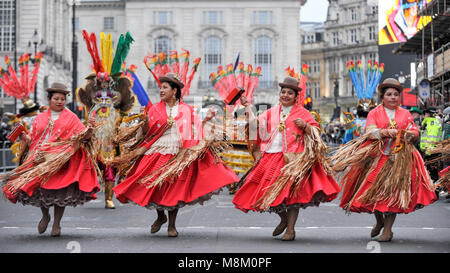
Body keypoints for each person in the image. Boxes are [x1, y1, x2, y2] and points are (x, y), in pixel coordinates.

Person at [112, 73, 239, 237]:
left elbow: (195, 129)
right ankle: (160, 216)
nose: (161, 90)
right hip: (158, 150)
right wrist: (144, 121)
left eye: (165, 87)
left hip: (178, 152)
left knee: (174, 188)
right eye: (160, 88)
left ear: (174, 91)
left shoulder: (186, 109)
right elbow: (147, 133)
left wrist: (205, 123)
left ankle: (172, 225)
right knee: (154, 184)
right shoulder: (154, 109)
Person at [232, 76, 340, 241]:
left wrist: (306, 126)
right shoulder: (271, 112)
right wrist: (247, 107)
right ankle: (283, 219)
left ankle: (290, 229)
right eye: (283, 92)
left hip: (293, 159)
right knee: (267, 193)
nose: (286, 95)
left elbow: (317, 132)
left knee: (292, 196)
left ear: (296, 96)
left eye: (290, 93)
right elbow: (255, 126)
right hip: (271, 157)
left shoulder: (303, 113)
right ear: (279, 94)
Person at [332, 78, 437, 242]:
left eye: (396, 94)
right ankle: (379, 221)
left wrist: (407, 135)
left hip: (398, 160)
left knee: (392, 195)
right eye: (389, 94)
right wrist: (385, 132)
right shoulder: (374, 113)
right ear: (383, 97)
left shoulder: (405, 113)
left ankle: (388, 231)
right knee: (372, 193)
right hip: (377, 158)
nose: (393, 97)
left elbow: (414, 132)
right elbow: (370, 132)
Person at [1, 82, 100, 237]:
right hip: (40, 159)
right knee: (42, 190)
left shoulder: (72, 118)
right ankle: (45, 215)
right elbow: (33, 139)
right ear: (49, 99)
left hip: (61, 161)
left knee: (59, 192)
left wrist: (90, 131)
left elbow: (82, 137)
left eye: (62, 98)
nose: (60, 101)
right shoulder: (39, 118)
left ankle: (56, 223)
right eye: (56, 98)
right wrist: (24, 137)